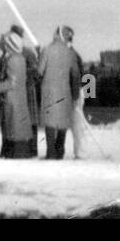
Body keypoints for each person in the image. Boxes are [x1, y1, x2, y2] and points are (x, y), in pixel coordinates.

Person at [38, 25, 81, 161]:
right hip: (65, 90)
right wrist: (75, 94)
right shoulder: (70, 53)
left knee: (50, 122)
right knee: (62, 120)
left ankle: (50, 152)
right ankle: (60, 149)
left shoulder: (47, 50)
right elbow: (75, 75)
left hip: (49, 90)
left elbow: (39, 71)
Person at [0, 32, 35, 158]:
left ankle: (16, 152)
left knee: (13, 125)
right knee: (19, 125)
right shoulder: (20, 58)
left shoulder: (12, 60)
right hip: (20, 96)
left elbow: (12, 82)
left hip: (12, 97)